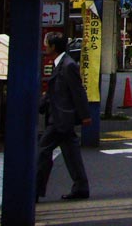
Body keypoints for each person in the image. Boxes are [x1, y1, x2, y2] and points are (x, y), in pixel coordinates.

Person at [37, 33, 91, 201]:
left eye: (47, 44)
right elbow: (55, 91)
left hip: (61, 118)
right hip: (60, 116)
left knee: (43, 151)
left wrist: (85, 116)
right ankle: (81, 187)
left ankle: (34, 190)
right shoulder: (60, 63)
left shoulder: (68, 65)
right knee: (71, 153)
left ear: (53, 47)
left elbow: (78, 91)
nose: (45, 47)